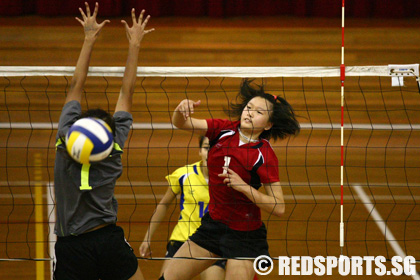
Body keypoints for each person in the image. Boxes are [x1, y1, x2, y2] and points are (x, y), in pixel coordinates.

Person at [160, 79, 300, 280]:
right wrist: (180, 110)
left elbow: (279, 206)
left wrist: (243, 187)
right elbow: (181, 123)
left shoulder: (265, 155)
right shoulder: (222, 129)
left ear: (269, 124)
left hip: (245, 235)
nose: (250, 113)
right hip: (213, 227)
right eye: (248, 107)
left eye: (259, 112)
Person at [53, 2, 154, 279]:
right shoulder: (115, 146)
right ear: (109, 135)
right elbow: (127, 91)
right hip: (108, 239)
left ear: (78, 127)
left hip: (72, 244)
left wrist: (88, 39)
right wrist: (134, 44)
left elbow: (76, 84)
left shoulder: (65, 140)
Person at [139, 136, 225, 280]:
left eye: (215, 149)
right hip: (182, 239)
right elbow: (164, 204)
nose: (210, 153)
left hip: (212, 241)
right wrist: (147, 238)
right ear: (199, 151)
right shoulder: (184, 174)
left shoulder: (229, 178)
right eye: (206, 148)